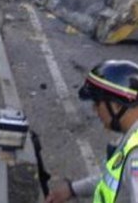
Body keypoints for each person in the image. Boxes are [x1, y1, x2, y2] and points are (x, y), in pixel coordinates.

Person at [46, 60, 138, 203]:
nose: (95, 110)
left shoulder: (135, 156)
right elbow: (113, 179)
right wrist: (72, 189)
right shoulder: (132, 137)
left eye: (97, 103)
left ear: (117, 105)